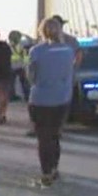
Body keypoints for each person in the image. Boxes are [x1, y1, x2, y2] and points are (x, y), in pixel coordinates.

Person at [28, 18, 76, 186]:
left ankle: (46, 172)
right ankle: (54, 168)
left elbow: (31, 77)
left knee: (43, 138)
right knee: (55, 136)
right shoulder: (69, 51)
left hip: (40, 99)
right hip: (62, 99)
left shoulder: (36, 51)